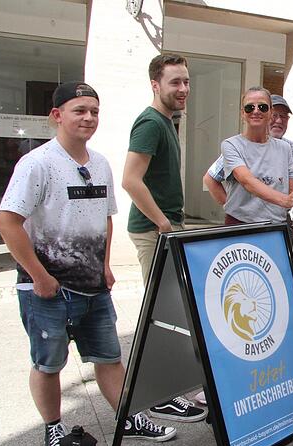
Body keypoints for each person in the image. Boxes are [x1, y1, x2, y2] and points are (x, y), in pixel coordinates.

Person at [0, 82, 176, 446]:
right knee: (49, 365)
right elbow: (7, 223)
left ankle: (127, 418)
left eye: (94, 111)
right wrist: (40, 277)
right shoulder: (37, 163)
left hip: (95, 288)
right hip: (48, 290)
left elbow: (105, 219)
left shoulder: (100, 164)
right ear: (57, 116)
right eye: (79, 110)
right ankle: (53, 429)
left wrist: (106, 265)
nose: (89, 118)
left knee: (109, 358)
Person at [121, 53, 206, 422]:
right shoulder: (151, 123)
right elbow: (130, 179)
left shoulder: (167, 121)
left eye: (186, 81)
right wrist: (163, 224)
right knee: (162, 314)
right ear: (156, 85)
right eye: (175, 82)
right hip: (154, 231)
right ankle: (157, 395)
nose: (183, 88)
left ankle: (168, 389)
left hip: (165, 227)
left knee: (172, 310)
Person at [205, 86, 293, 225]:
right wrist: (230, 206)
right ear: (243, 113)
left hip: (277, 226)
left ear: (269, 112)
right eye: (250, 107)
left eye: (262, 107)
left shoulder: (287, 148)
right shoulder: (231, 146)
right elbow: (247, 181)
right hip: (241, 225)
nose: (256, 111)